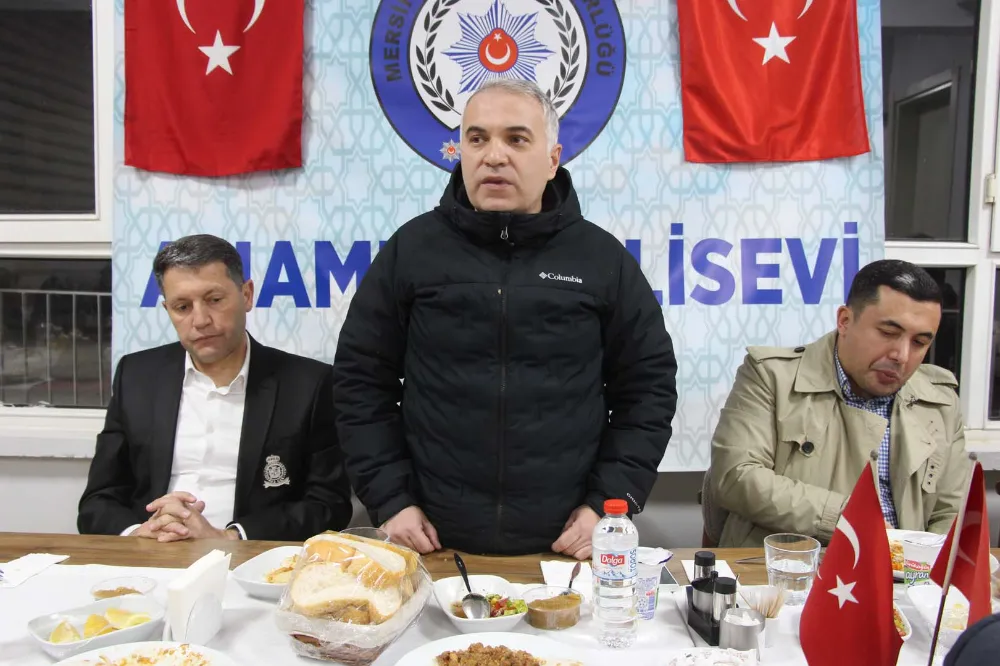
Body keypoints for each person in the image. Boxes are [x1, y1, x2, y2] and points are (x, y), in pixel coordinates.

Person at [332, 79, 677, 559]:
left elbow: (648, 391)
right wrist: (390, 500)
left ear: (552, 159)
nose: (494, 156)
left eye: (516, 139)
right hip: (430, 544)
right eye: (477, 139)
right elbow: (360, 383)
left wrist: (607, 505)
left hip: (565, 546)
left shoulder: (602, 260)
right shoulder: (411, 251)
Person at [78, 234, 353, 541]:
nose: (200, 320)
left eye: (214, 300)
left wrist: (230, 537)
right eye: (182, 306)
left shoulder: (307, 384)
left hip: (249, 557)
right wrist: (139, 534)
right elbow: (98, 500)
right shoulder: (136, 376)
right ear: (167, 309)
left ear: (246, 295)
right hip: (152, 551)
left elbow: (329, 505)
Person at [706, 259, 969, 547]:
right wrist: (850, 517)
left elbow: (951, 511)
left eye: (919, 342)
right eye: (888, 333)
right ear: (844, 321)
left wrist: (929, 561)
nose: (901, 356)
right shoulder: (771, 376)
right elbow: (735, 477)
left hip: (906, 570)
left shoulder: (941, 401)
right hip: (789, 565)